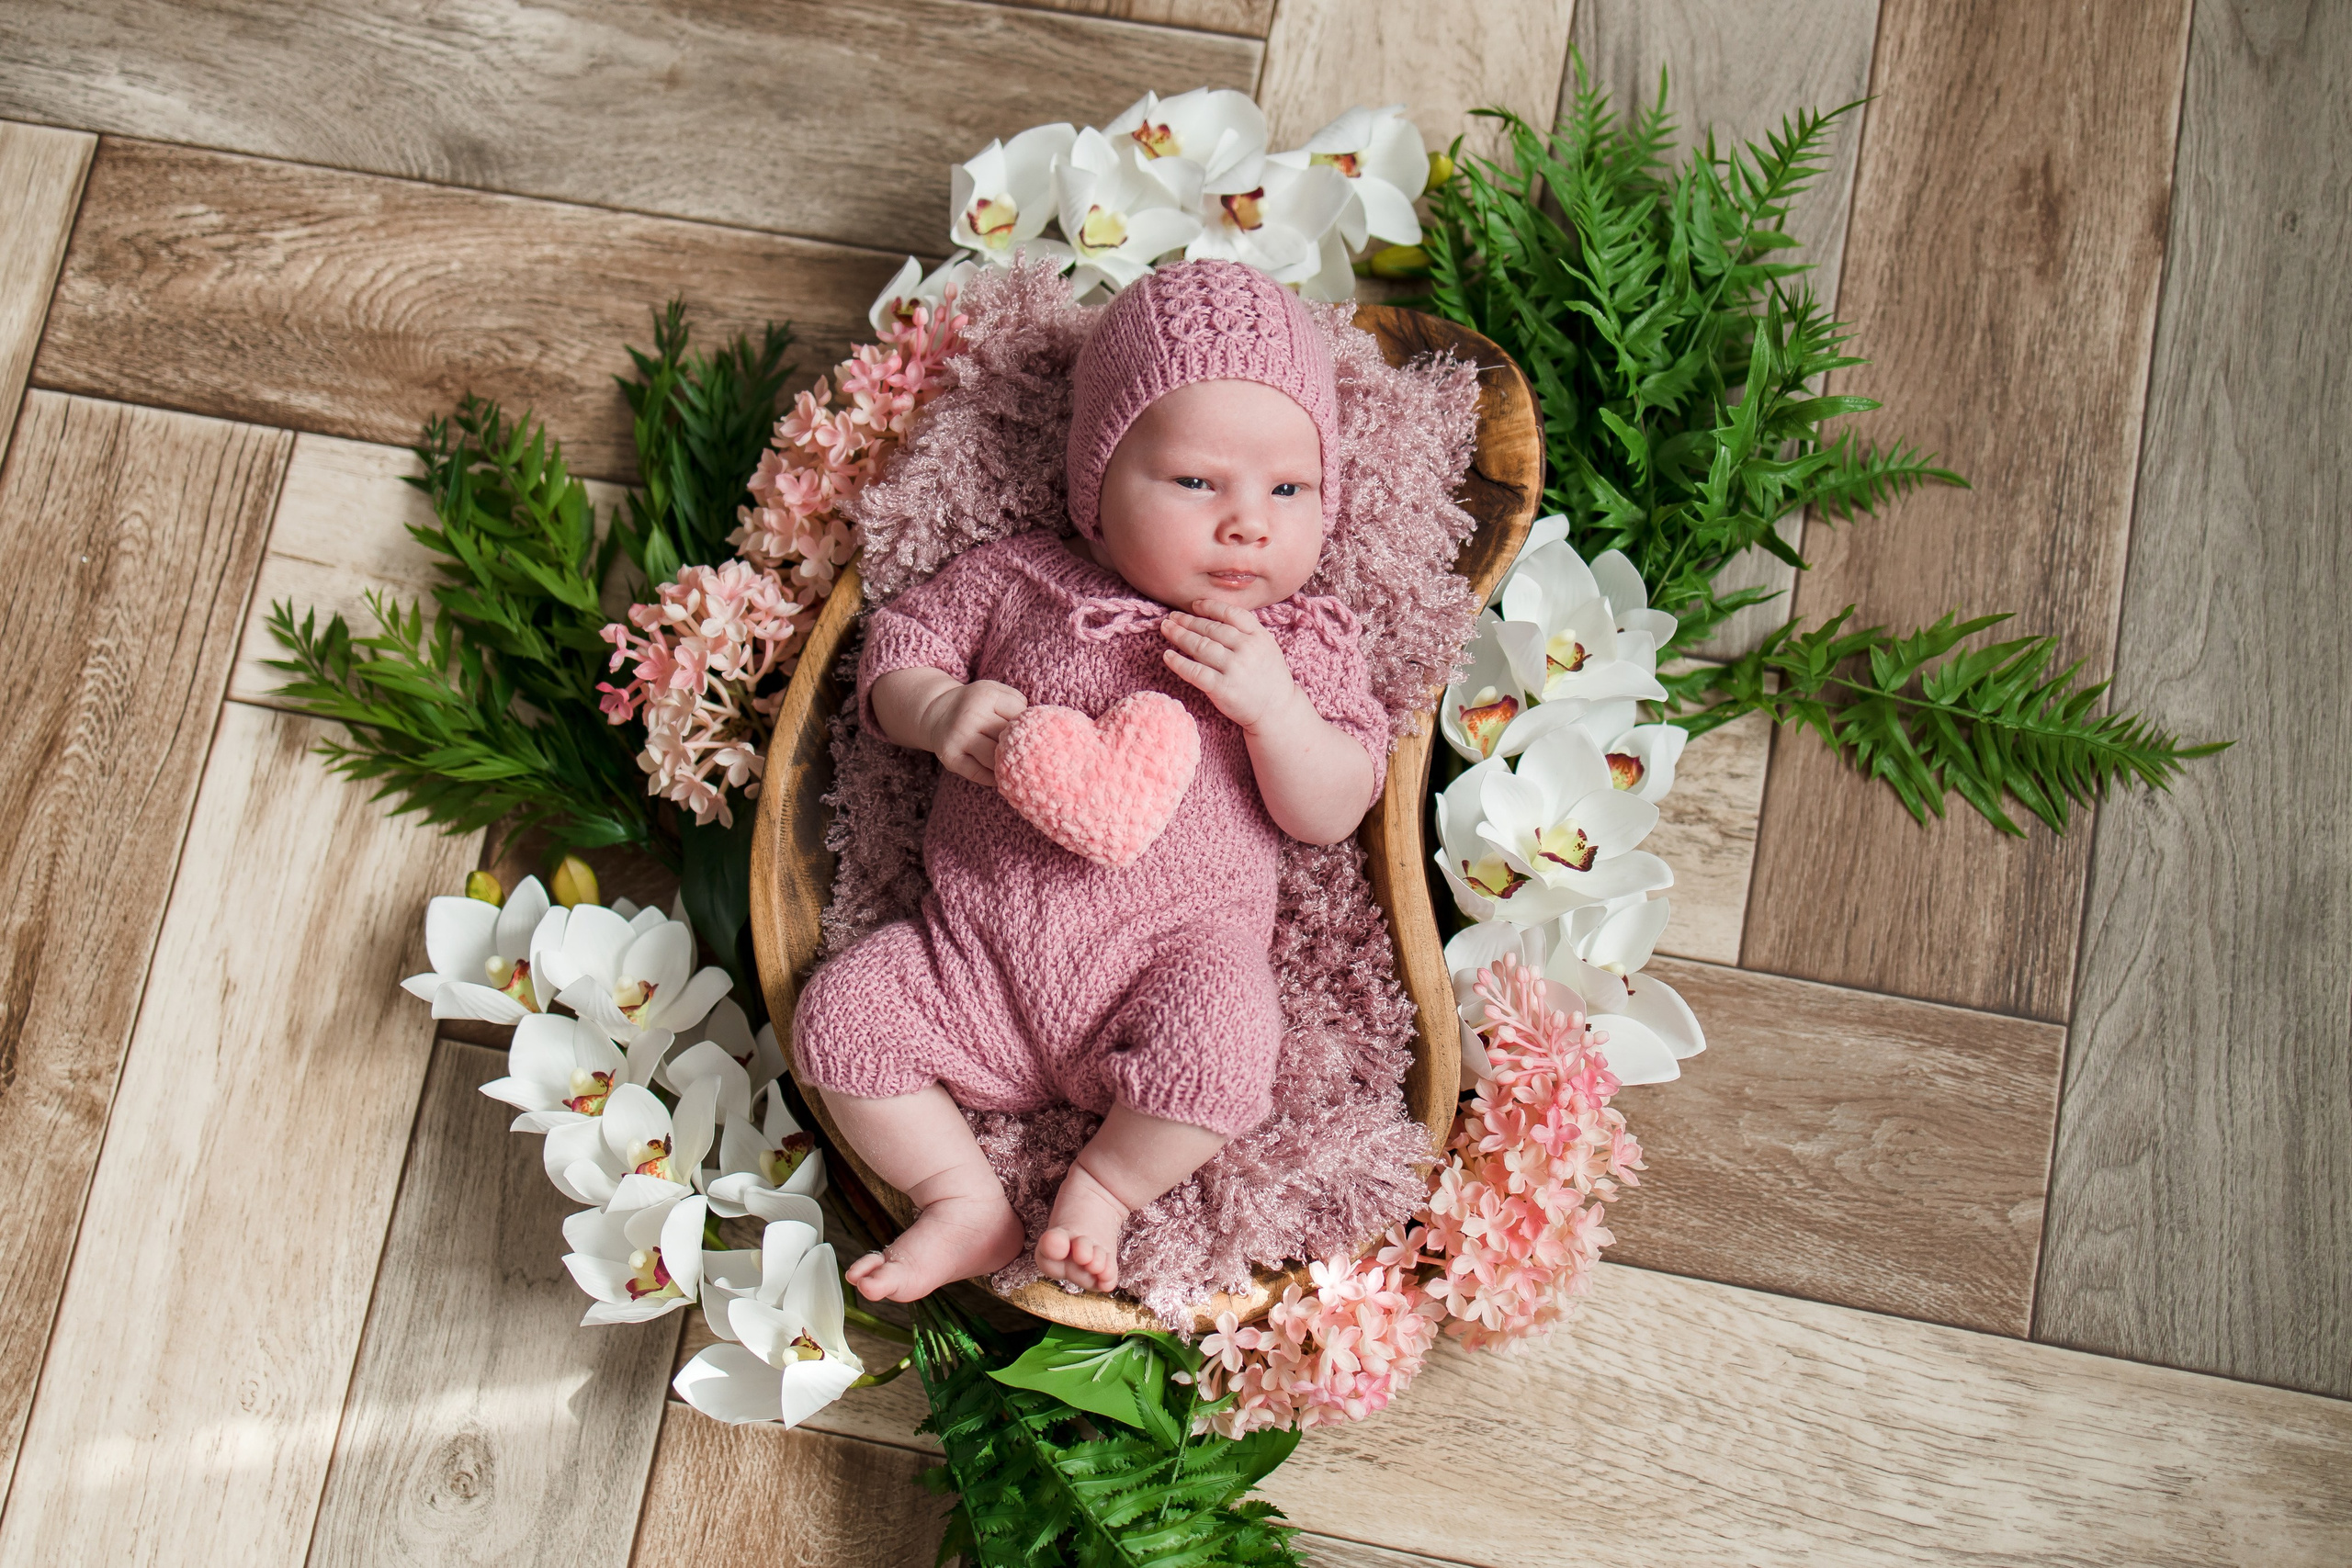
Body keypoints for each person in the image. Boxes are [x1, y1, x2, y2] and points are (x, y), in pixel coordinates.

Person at [792, 260, 1387, 1302]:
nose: (1247, 521)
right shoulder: (1019, 580)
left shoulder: (1299, 644)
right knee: (840, 1017)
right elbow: (895, 653)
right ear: (1096, 483)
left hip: (1169, 965)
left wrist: (1278, 713)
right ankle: (962, 1200)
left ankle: (1103, 1189)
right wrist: (934, 709)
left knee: (1230, 1043)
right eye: (1198, 482)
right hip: (972, 956)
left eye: (1288, 489)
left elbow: (1333, 808)